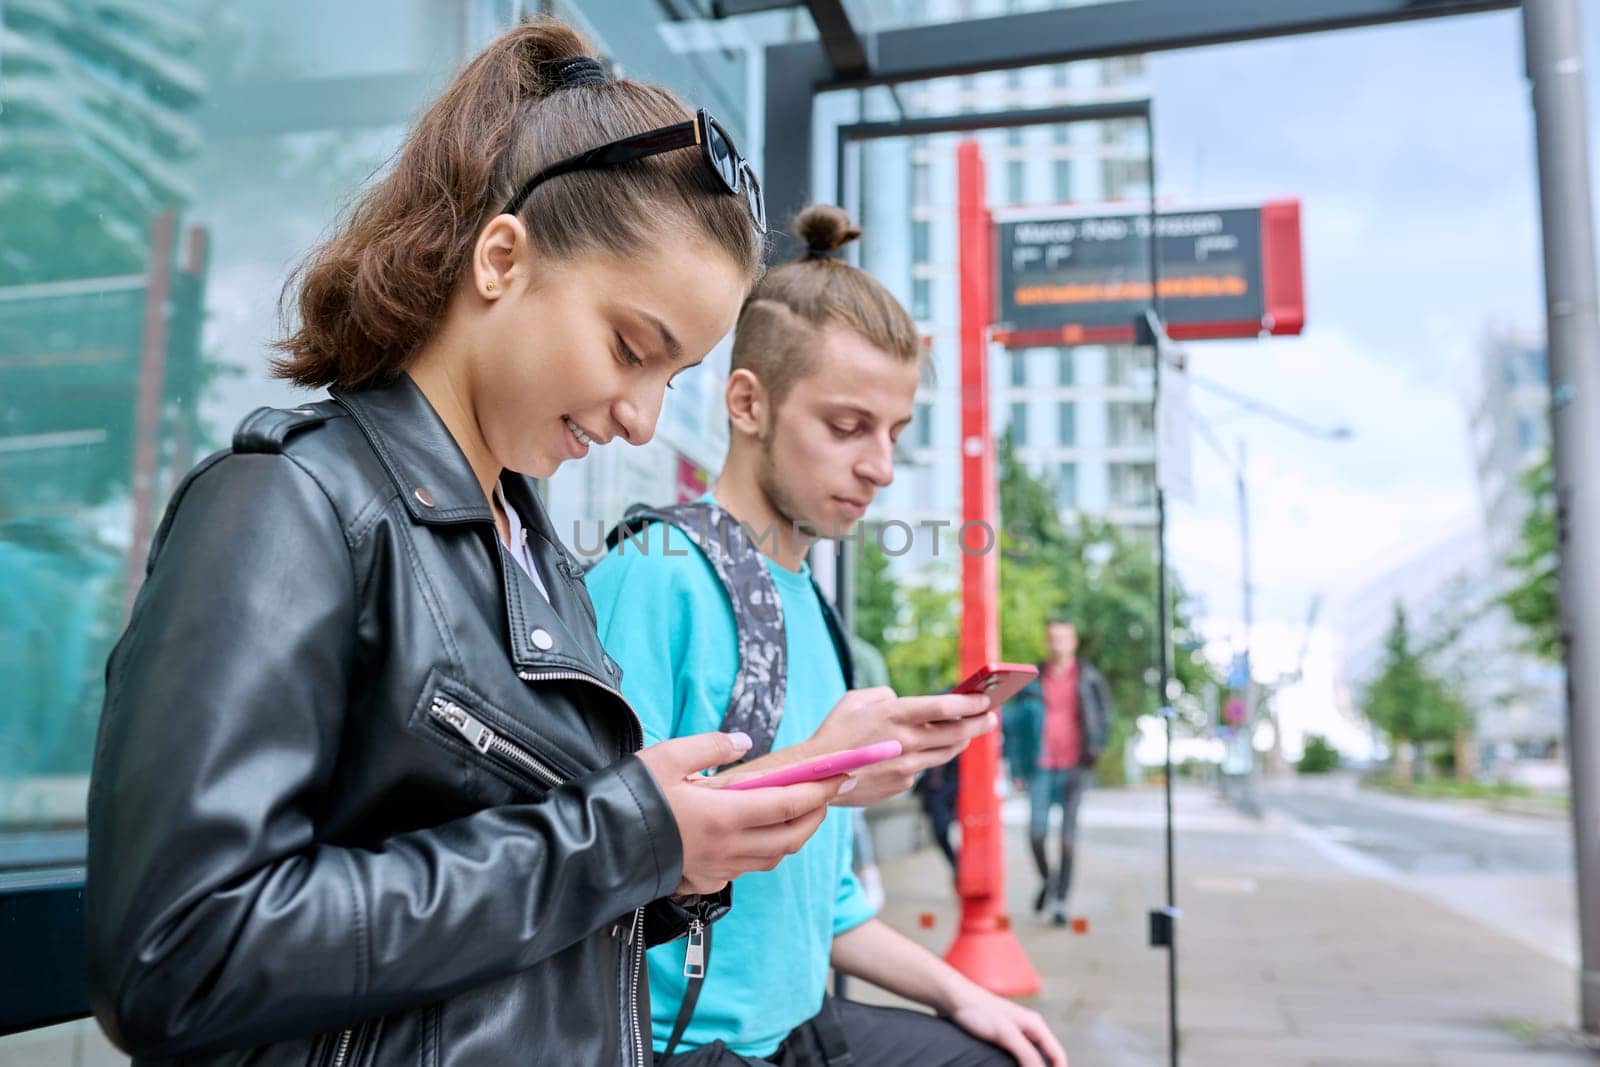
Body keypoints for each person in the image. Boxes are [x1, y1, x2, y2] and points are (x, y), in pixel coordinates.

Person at [84, 20, 848, 1065]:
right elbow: (186, 954)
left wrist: (671, 861)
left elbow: (514, 895)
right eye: (631, 347)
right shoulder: (284, 508)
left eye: (670, 381)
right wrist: (624, 835)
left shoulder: (534, 555)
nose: (639, 416)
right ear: (501, 258)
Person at [588, 206, 1067, 1067]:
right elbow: (602, 851)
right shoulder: (655, 575)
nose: (880, 465)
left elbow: (834, 908)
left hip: (802, 1024)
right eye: (848, 427)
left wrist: (968, 996)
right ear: (747, 404)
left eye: (894, 433)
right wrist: (826, 763)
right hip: (676, 1044)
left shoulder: (813, 609)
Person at [1003, 620, 1111, 927]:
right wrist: (1016, 768)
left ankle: (1061, 900)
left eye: (1062, 638)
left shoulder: (1089, 677)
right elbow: (1016, 728)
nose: (1057, 644)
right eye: (1052, 638)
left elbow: (1104, 715)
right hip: (1039, 767)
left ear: (1073, 642)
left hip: (1075, 767)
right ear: (1046, 642)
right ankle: (1049, 881)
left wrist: (1097, 746)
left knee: (1067, 838)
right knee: (1036, 833)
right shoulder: (1032, 681)